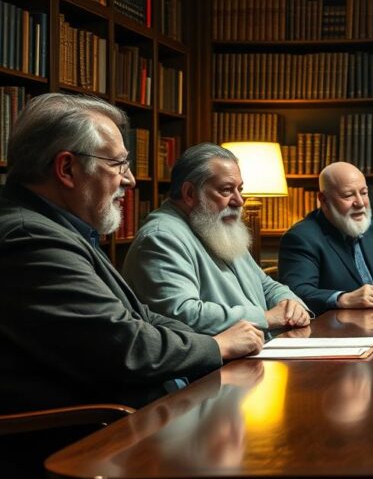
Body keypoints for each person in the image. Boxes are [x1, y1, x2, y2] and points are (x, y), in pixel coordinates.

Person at [0, 94, 263, 414]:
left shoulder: (59, 228)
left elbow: (141, 317)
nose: (130, 179)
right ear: (67, 168)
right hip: (91, 438)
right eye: (117, 164)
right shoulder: (30, 239)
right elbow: (125, 346)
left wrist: (212, 342)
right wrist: (216, 345)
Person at [122, 143, 311, 335]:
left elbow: (264, 284)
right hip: (215, 362)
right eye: (226, 190)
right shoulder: (160, 238)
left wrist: (289, 303)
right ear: (189, 193)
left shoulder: (218, 226)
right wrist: (266, 318)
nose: (239, 201)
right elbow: (182, 313)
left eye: (240, 189)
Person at [278, 161, 373, 313]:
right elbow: (296, 293)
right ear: (324, 200)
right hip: (335, 332)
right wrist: (343, 298)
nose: (360, 203)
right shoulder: (301, 238)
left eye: (364, 193)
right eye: (348, 195)